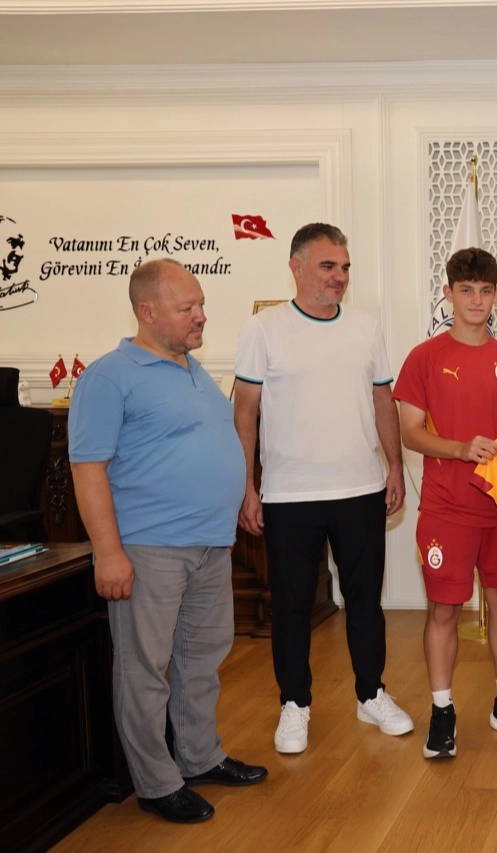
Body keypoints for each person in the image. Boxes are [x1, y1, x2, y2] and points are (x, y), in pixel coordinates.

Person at [69, 259, 267, 824]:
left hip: (208, 545)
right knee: (144, 669)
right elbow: (87, 468)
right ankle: (156, 783)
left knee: (201, 661)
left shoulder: (191, 369)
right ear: (147, 311)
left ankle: (198, 756)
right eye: (187, 308)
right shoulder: (109, 377)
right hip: (149, 547)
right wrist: (109, 553)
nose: (201, 316)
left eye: (201, 305)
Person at [233, 223, 411, 755]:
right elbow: (245, 411)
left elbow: (383, 401)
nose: (339, 276)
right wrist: (246, 488)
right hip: (289, 495)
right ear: (296, 266)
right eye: (328, 266)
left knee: (365, 602)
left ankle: (371, 693)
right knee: (291, 607)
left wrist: (395, 468)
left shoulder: (365, 327)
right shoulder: (263, 329)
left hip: (360, 490)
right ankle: (295, 703)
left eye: (345, 267)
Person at [394, 247, 497, 760]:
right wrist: (461, 449)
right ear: (449, 294)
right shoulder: (424, 357)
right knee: (444, 610)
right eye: (466, 290)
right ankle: (442, 710)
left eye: (485, 291)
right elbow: (409, 433)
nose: (476, 300)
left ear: (496, 295)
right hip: (447, 508)